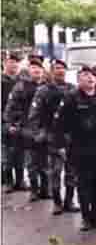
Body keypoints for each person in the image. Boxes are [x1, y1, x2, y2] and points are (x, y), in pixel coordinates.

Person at [55, 66, 96, 232]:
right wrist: (60, 145)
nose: (90, 78)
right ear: (79, 80)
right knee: (84, 184)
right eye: (86, 76)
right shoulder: (71, 98)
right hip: (80, 148)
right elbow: (60, 124)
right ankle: (86, 217)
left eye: (92, 76)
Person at [27, 59, 80, 215]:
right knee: (55, 170)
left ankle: (69, 201)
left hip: (71, 136)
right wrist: (38, 133)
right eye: (57, 68)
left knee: (72, 171)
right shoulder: (44, 90)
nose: (60, 71)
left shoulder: (73, 89)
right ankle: (57, 202)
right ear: (51, 71)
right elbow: (34, 114)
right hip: (53, 136)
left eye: (63, 68)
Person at [4, 59, 48, 201]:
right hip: (27, 128)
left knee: (45, 162)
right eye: (33, 67)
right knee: (31, 161)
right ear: (29, 70)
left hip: (44, 128)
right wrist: (10, 123)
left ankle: (45, 189)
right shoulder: (21, 87)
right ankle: (34, 190)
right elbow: (10, 106)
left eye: (39, 68)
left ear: (42, 71)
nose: (36, 70)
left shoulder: (47, 86)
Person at [2, 53, 26, 193]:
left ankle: (20, 180)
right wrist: (6, 121)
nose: (14, 65)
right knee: (7, 153)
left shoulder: (22, 81)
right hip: (4, 121)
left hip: (20, 121)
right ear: (5, 63)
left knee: (20, 152)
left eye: (16, 62)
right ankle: (9, 182)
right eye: (11, 62)